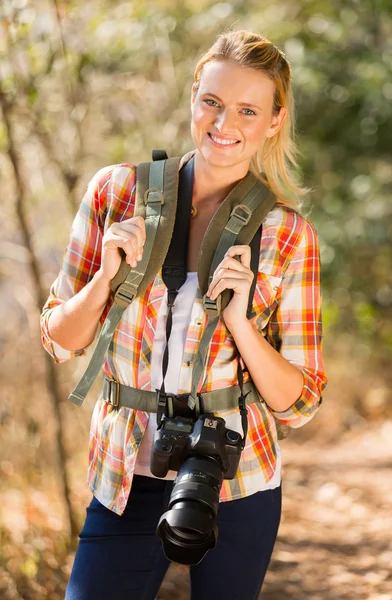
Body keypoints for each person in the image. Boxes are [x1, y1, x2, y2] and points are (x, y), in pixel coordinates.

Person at [41, 29, 327, 600]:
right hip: (124, 472)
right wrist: (105, 278)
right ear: (194, 96)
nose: (226, 124)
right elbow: (59, 339)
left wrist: (242, 323)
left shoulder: (288, 235)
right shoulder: (114, 193)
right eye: (213, 102)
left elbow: (299, 402)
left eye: (248, 110)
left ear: (274, 120)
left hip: (234, 477)